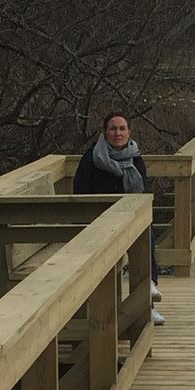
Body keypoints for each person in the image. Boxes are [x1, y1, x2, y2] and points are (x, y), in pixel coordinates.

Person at [73, 111, 165, 324]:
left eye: (122, 128)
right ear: (105, 133)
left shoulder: (136, 157)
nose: (118, 133)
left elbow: (142, 192)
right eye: (113, 128)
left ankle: (147, 301)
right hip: (98, 222)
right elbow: (79, 191)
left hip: (128, 219)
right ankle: (104, 314)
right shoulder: (92, 158)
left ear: (129, 132)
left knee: (145, 233)